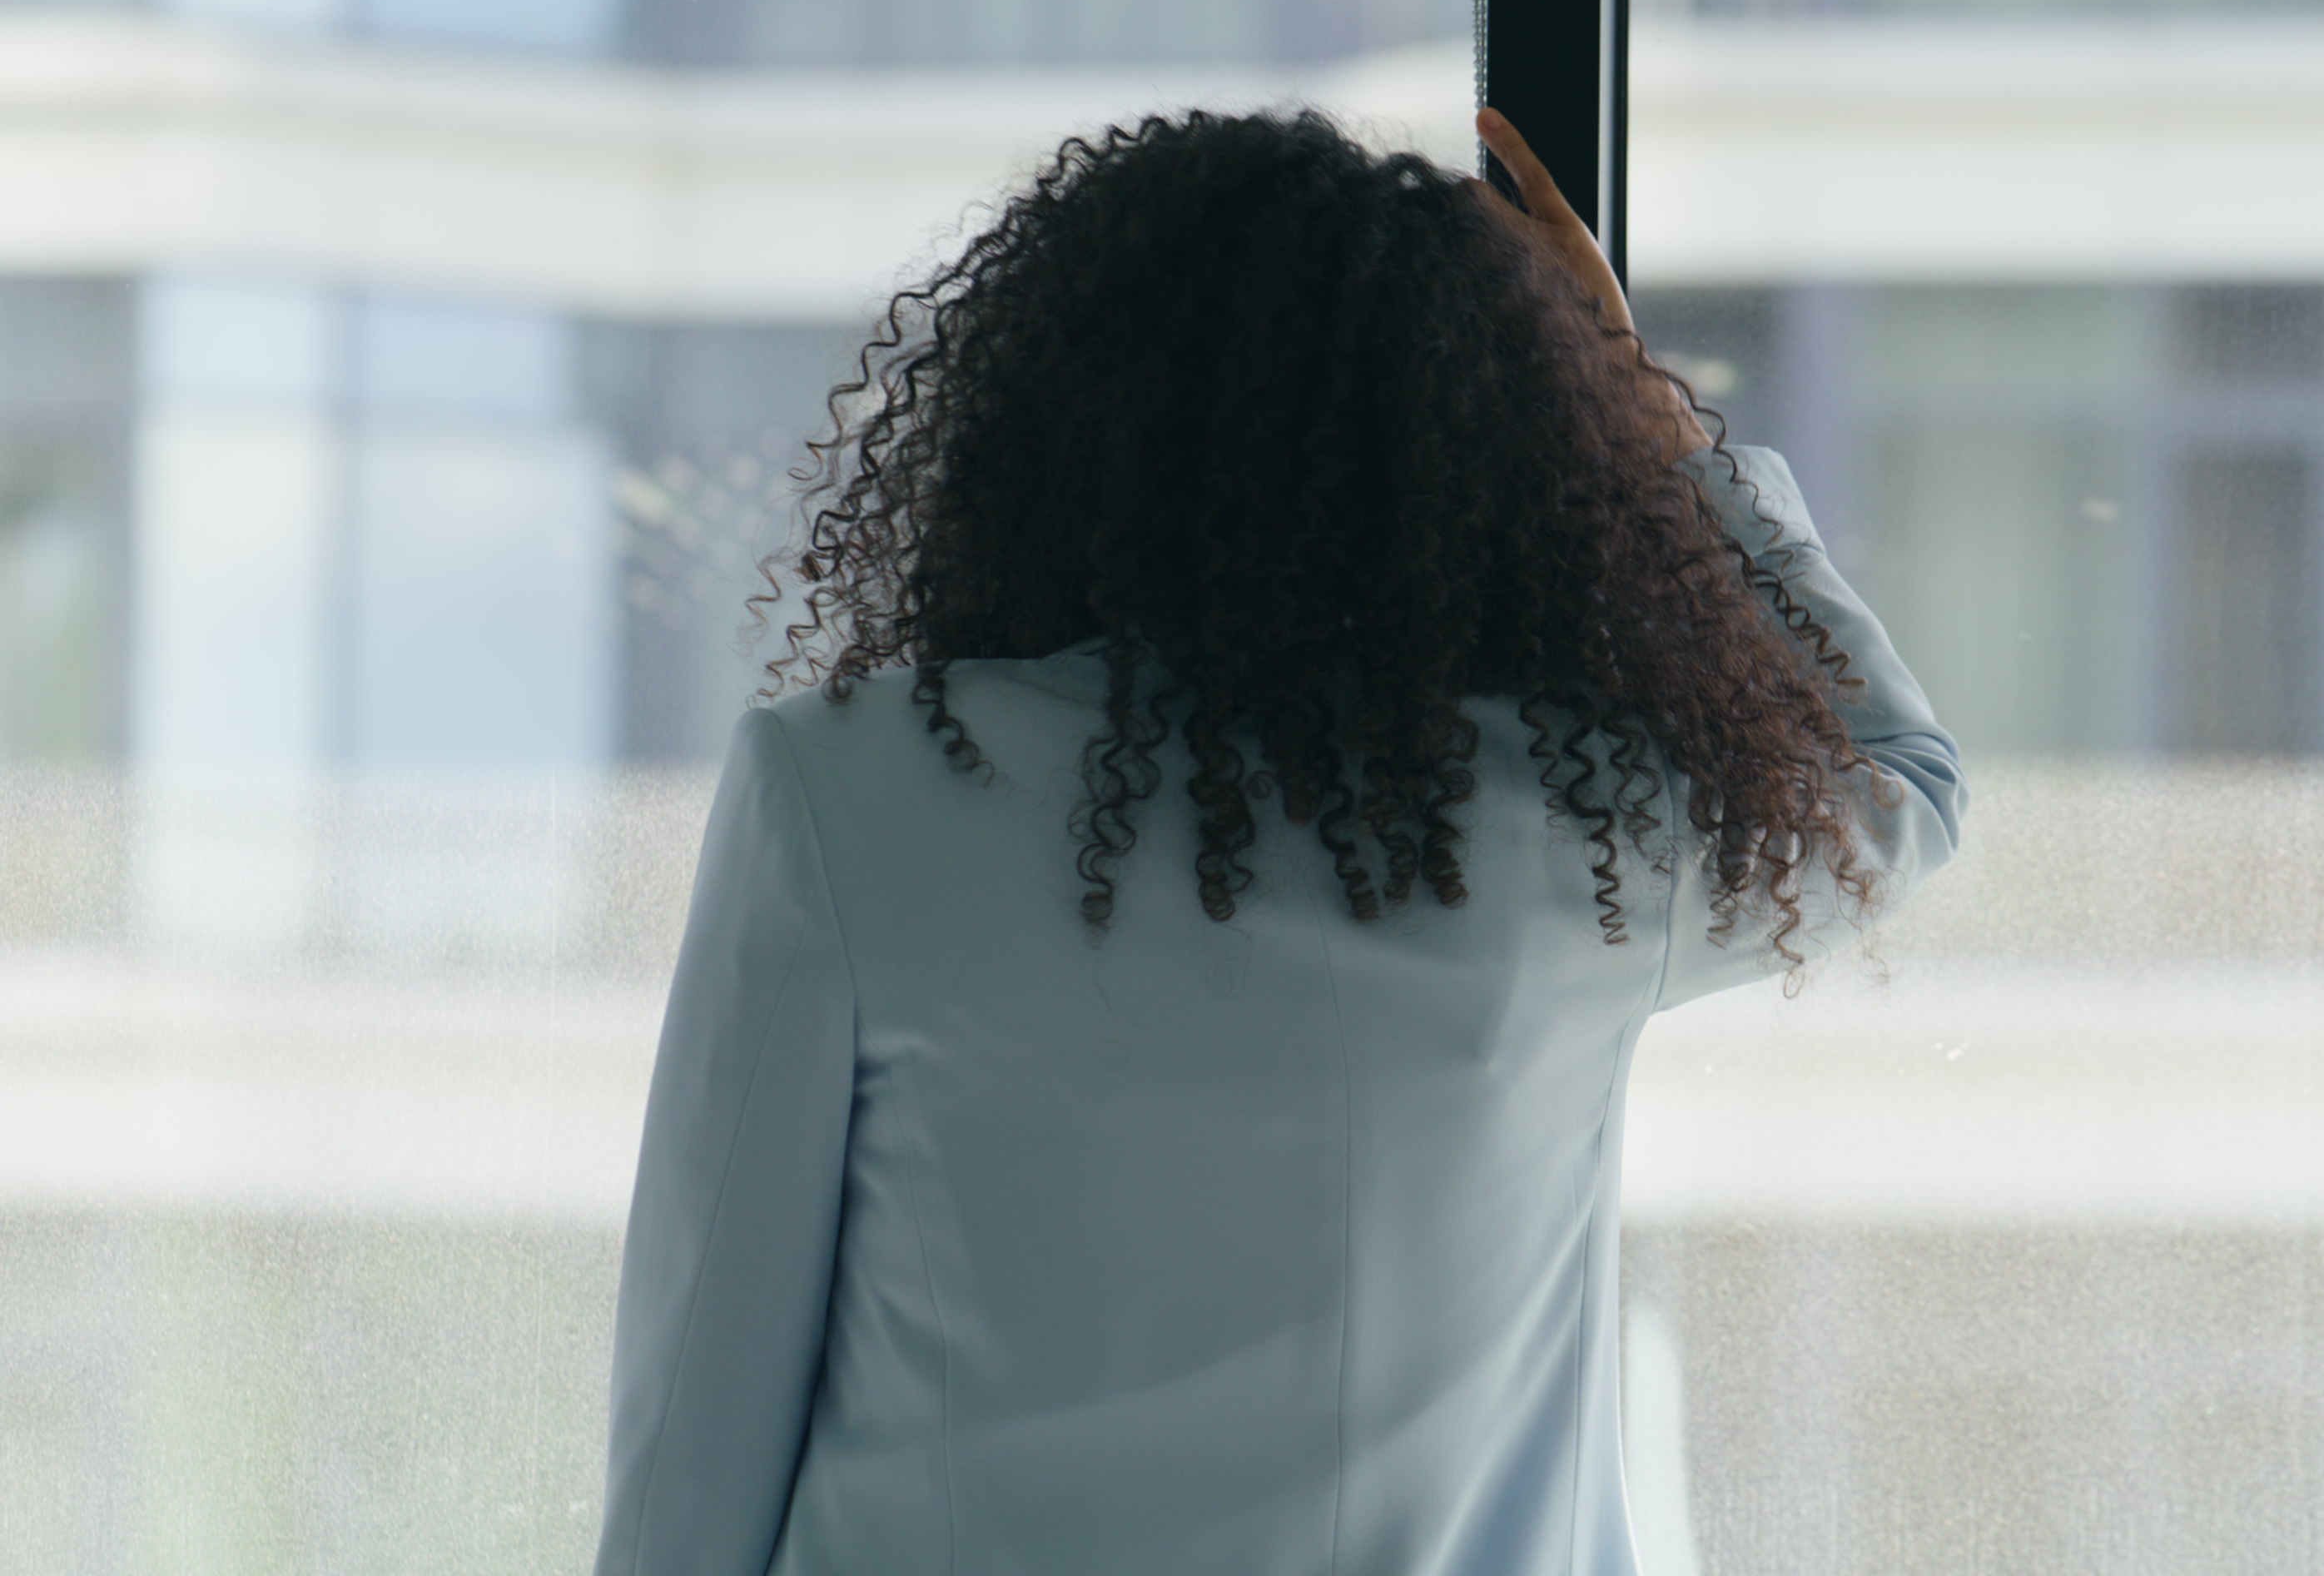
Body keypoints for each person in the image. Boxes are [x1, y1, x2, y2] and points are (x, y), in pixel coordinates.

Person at [591, 106, 1964, 1576]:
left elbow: (698, 1426)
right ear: (1498, 459)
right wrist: (1653, 418)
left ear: (1056, 418)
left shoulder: (844, 794)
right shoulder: (1572, 838)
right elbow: (1892, 780)